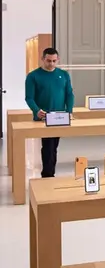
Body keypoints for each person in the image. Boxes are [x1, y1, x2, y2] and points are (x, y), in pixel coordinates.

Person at [24, 47, 74, 178]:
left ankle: (49, 173)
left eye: (54, 61)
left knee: (53, 147)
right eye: (48, 61)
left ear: (58, 60)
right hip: (43, 118)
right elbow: (29, 97)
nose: (51, 64)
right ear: (42, 59)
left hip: (60, 117)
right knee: (48, 147)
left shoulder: (64, 75)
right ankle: (47, 175)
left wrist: (69, 111)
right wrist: (36, 110)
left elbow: (69, 94)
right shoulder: (33, 76)